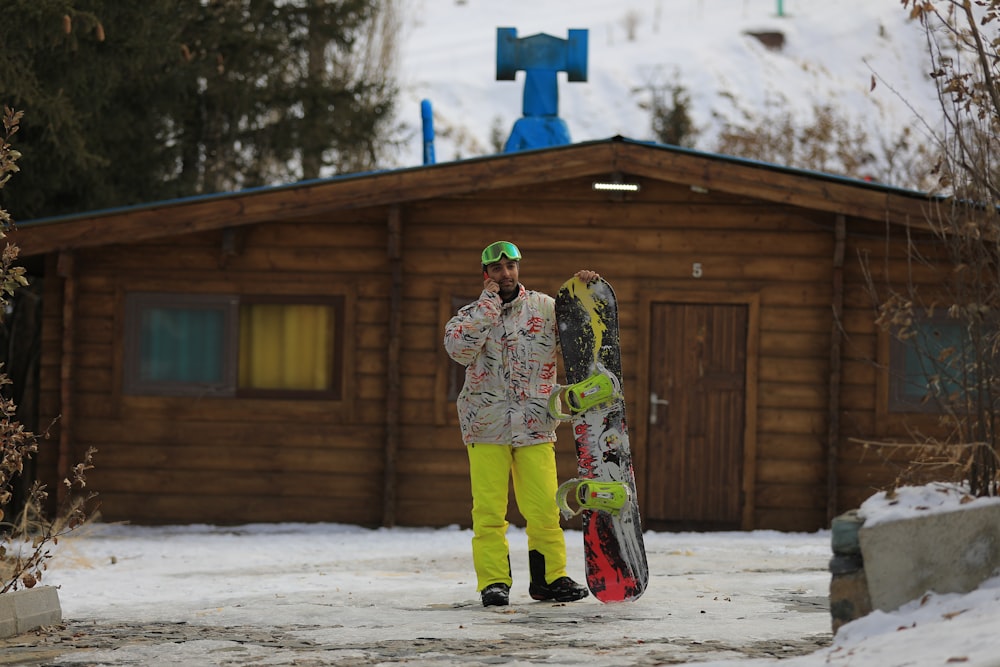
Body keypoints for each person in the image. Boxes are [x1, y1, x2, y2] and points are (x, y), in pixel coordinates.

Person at [444, 240, 594, 607]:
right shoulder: (470, 315)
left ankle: (550, 579)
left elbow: (579, 336)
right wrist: (488, 307)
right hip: (486, 426)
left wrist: (585, 290)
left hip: (535, 425)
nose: (506, 273)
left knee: (544, 508)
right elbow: (459, 350)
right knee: (490, 513)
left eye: (511, 266)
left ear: (518, 269)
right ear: (486, 275)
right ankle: (494, 582)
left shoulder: (544, 308)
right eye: (497, 269)